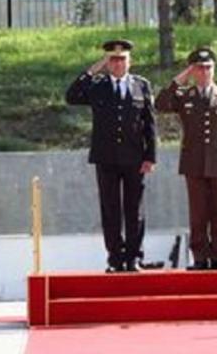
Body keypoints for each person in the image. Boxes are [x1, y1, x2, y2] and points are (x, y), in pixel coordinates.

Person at [65, 39, 157, 273]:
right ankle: (115, 258)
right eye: (113, 60)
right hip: (106, 157)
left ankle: (134, 257)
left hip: (134, 157)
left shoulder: (141, 85)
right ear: (107, 62)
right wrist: (93, 69)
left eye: (122, 59)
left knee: (135, 209)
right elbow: (71, 96)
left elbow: (149, 123)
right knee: (110, 209)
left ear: (130, 61)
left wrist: (150, 156)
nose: (118, 64)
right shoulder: (98, 85)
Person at [156, 47, 217, 270]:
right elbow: (161, 104)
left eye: (208, 68)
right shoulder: (185, 95)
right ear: (192, 71)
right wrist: (180, 79)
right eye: (199, 68)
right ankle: (200, 257)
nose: (204, 72)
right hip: (194, 162)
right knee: (198, 212)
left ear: (214, 69)